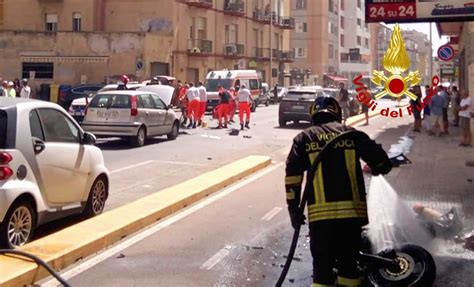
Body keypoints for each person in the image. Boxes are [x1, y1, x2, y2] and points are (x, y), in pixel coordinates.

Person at [285, 96, 392, 287]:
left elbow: (293, 178)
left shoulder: (303, 138)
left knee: (322, 272)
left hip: (320, 218)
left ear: (313, 116)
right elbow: (383, 163)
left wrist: (293, 210)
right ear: (338, 114)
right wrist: (378, 167)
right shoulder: (352, 134)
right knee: (349, 268)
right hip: (351, 215)